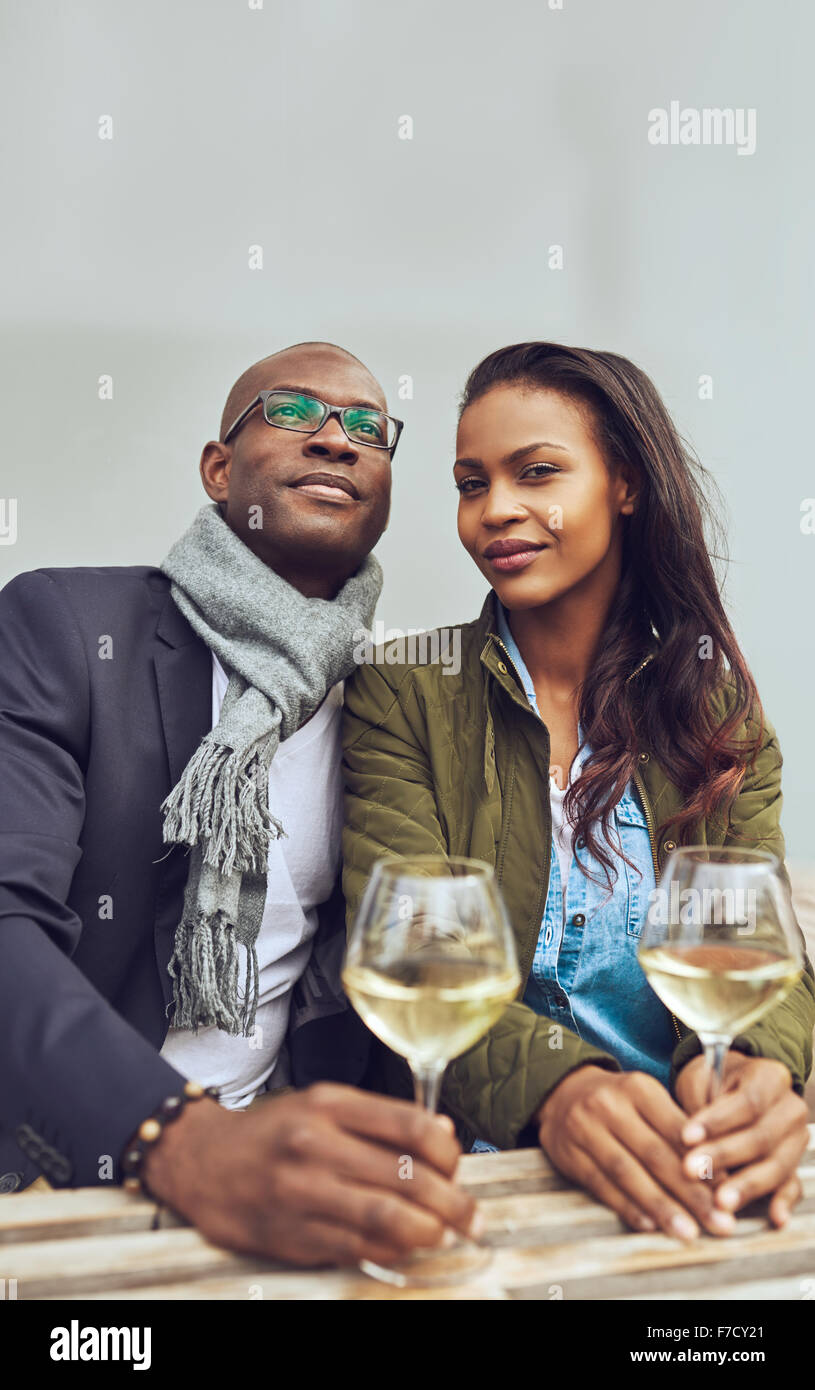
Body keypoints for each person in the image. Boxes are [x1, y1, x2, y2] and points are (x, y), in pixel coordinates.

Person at [0, 340, 479, 1268]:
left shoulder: (391, 694)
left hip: (289, 1174)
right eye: (294, 412)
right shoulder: (64, 625)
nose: (338, 439)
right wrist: (176, 1139)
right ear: (221, 470)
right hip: (62, 1171)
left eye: (370, 429)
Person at [341, 340, 815, 1243]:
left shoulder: (717, 712)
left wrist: (759, 1066)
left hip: (695, 1169)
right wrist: (560, 1090)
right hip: (482, 1179)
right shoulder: (402, 689)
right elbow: (409, 960)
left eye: (537, 472)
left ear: (625, 486)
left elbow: (763, 953)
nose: (496, 510)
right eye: (470, 483)